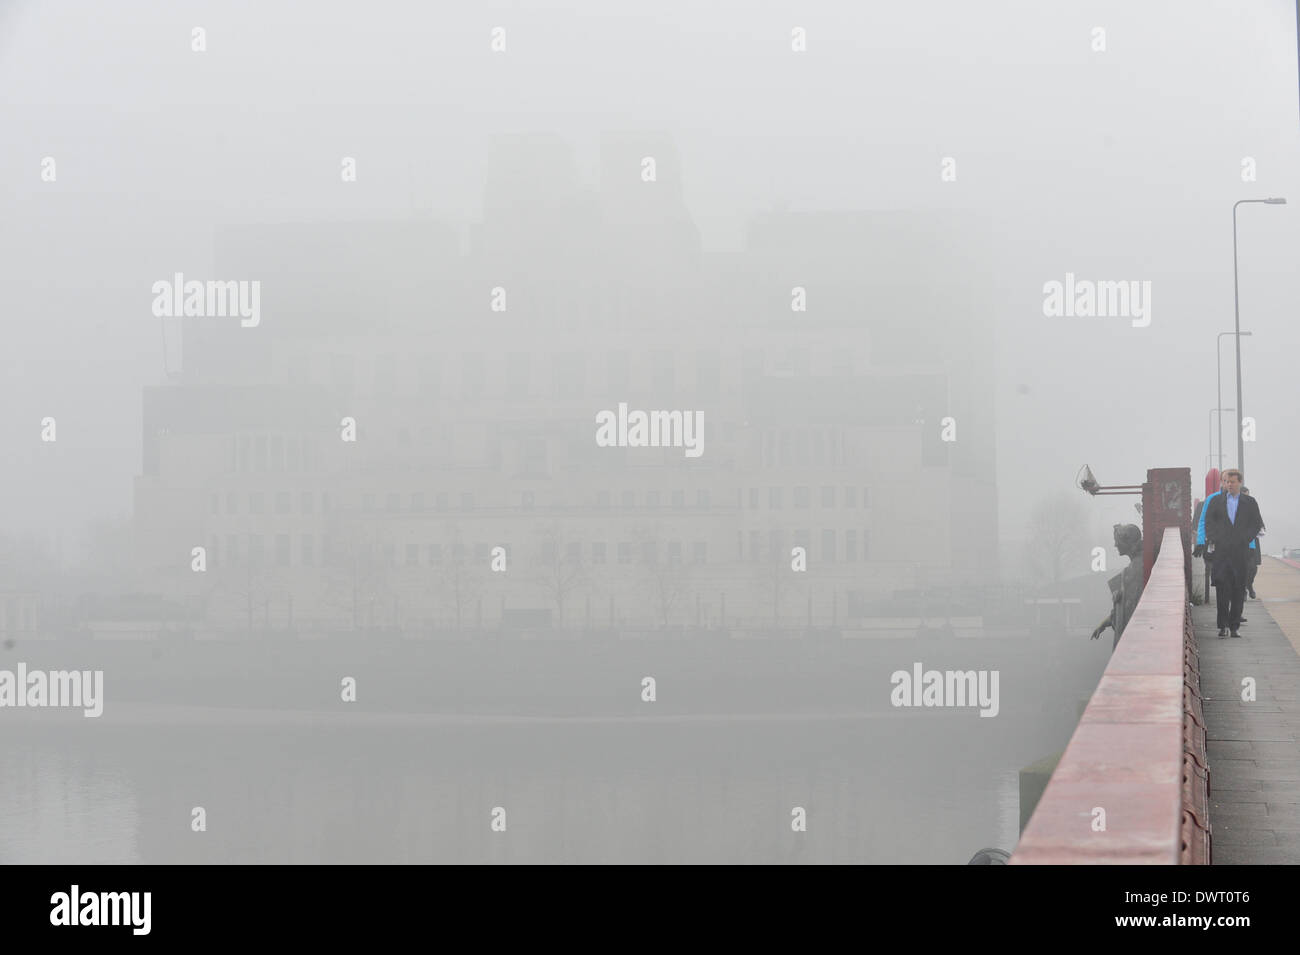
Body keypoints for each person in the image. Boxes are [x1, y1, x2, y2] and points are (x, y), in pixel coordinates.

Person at [1204, 469, 1264, 638]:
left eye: (1232, 482)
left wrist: (1245, 538)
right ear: (1223, 482)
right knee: (1222, 589)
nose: (1229, 484)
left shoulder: (1250, 502)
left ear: (1240, 482)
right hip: (1221, 553)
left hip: (1241, 552)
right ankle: (1222, 626)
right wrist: (1215, 538)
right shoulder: (1216, 501)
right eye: (1226, 481)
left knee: (1238, 590)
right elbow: (1209, 522)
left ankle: (1234, 626)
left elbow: (1256, 523)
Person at [1090, 523, 1143, 650]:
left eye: (1117, 541)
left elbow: (1128, 611)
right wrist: (1104, 623)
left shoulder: (1134, 572)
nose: (1115, 545)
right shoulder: (1136, 567)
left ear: (1127, 542)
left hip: (1130, 647)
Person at [1242, 485, 1264, 599]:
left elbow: (1260, 522)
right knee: (1244, 567)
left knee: (1253, 568)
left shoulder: (1253, 505)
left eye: (1248, 495)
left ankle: (1249, 585)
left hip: (1253, 541)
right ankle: (1243, 590)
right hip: (1240, 542)